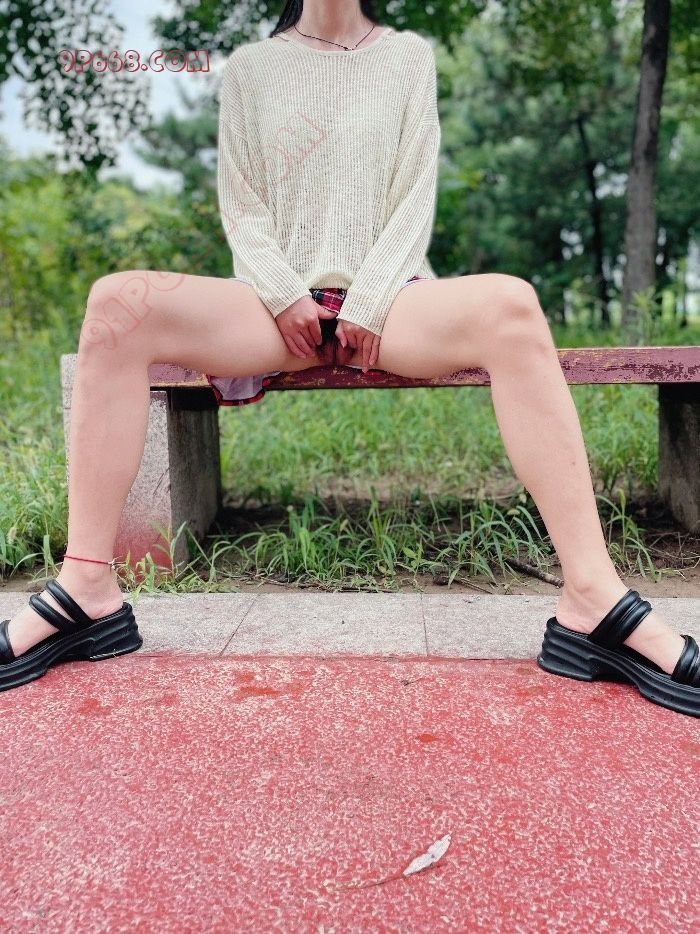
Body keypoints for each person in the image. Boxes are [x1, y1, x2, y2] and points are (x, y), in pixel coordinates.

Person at [1, 0, 698, 715]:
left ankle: (591, 597)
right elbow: (241, 207)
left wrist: (371, 295)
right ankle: (87, 587)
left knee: (513, 307)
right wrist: (282, 293)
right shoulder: (251, 68)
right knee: (115, 305)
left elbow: (414, 195)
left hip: (391, 304)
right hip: (273, 310)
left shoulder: (408, 57)